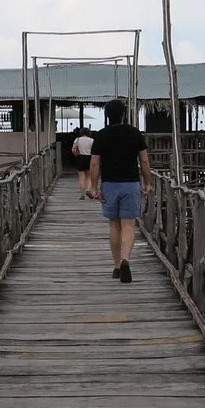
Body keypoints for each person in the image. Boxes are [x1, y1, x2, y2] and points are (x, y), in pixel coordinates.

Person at [86, 98, 148, 281]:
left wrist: (94, 187)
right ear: (123, 114)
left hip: (110, 184)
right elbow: (144, 161)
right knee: (129, 225)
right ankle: (126, 259)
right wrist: (147, 183)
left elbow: (95, 164)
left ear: (106, 115)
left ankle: (116, 266)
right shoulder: (135, 133)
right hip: (130, 183)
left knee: (114, 225)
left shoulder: (101, 135)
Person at [67, 125, 95, 200]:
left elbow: (73, 149)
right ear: (89, 133)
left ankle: (82, 195)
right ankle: (88, 189)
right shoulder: (92, 140)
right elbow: (95, 151)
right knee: (89, 176)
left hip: (80, 158)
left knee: (81, 177)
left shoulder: (78, 139)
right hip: (89, 157)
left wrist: (76, 155)